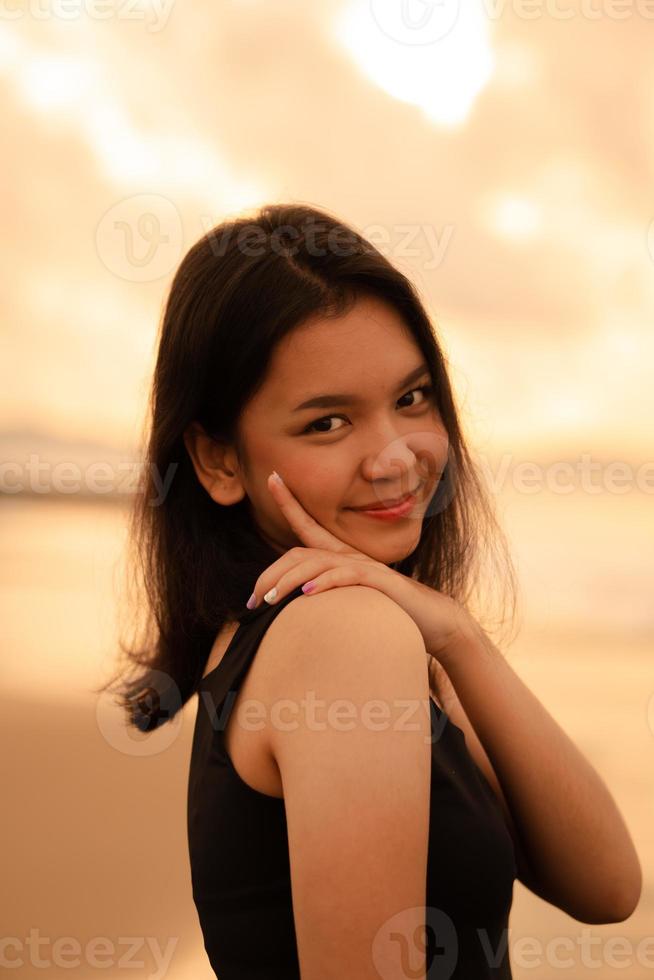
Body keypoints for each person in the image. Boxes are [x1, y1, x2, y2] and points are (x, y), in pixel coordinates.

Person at [101, 203, 642, 979]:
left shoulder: (353, 633)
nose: (394, 458)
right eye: (327, 423)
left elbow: (607, 884)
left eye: (412, 398)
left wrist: (457, 635)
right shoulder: (342, 636)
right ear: (218, 461)